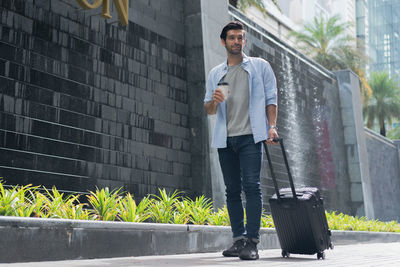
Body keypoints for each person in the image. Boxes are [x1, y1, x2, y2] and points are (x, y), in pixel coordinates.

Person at [204, 21, 279, 260]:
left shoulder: (259, 67)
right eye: (232, 38)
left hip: (250, 137)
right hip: (226, 140)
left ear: (244, 41)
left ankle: (252, 242)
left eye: (240, 37)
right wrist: (215, 100)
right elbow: (209, 110)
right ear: (223, 41)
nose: (237, 41)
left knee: (252, 186)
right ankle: (238, 240)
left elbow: (271, 98)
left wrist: (272, 127)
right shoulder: (216, 73)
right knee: (232, 190)